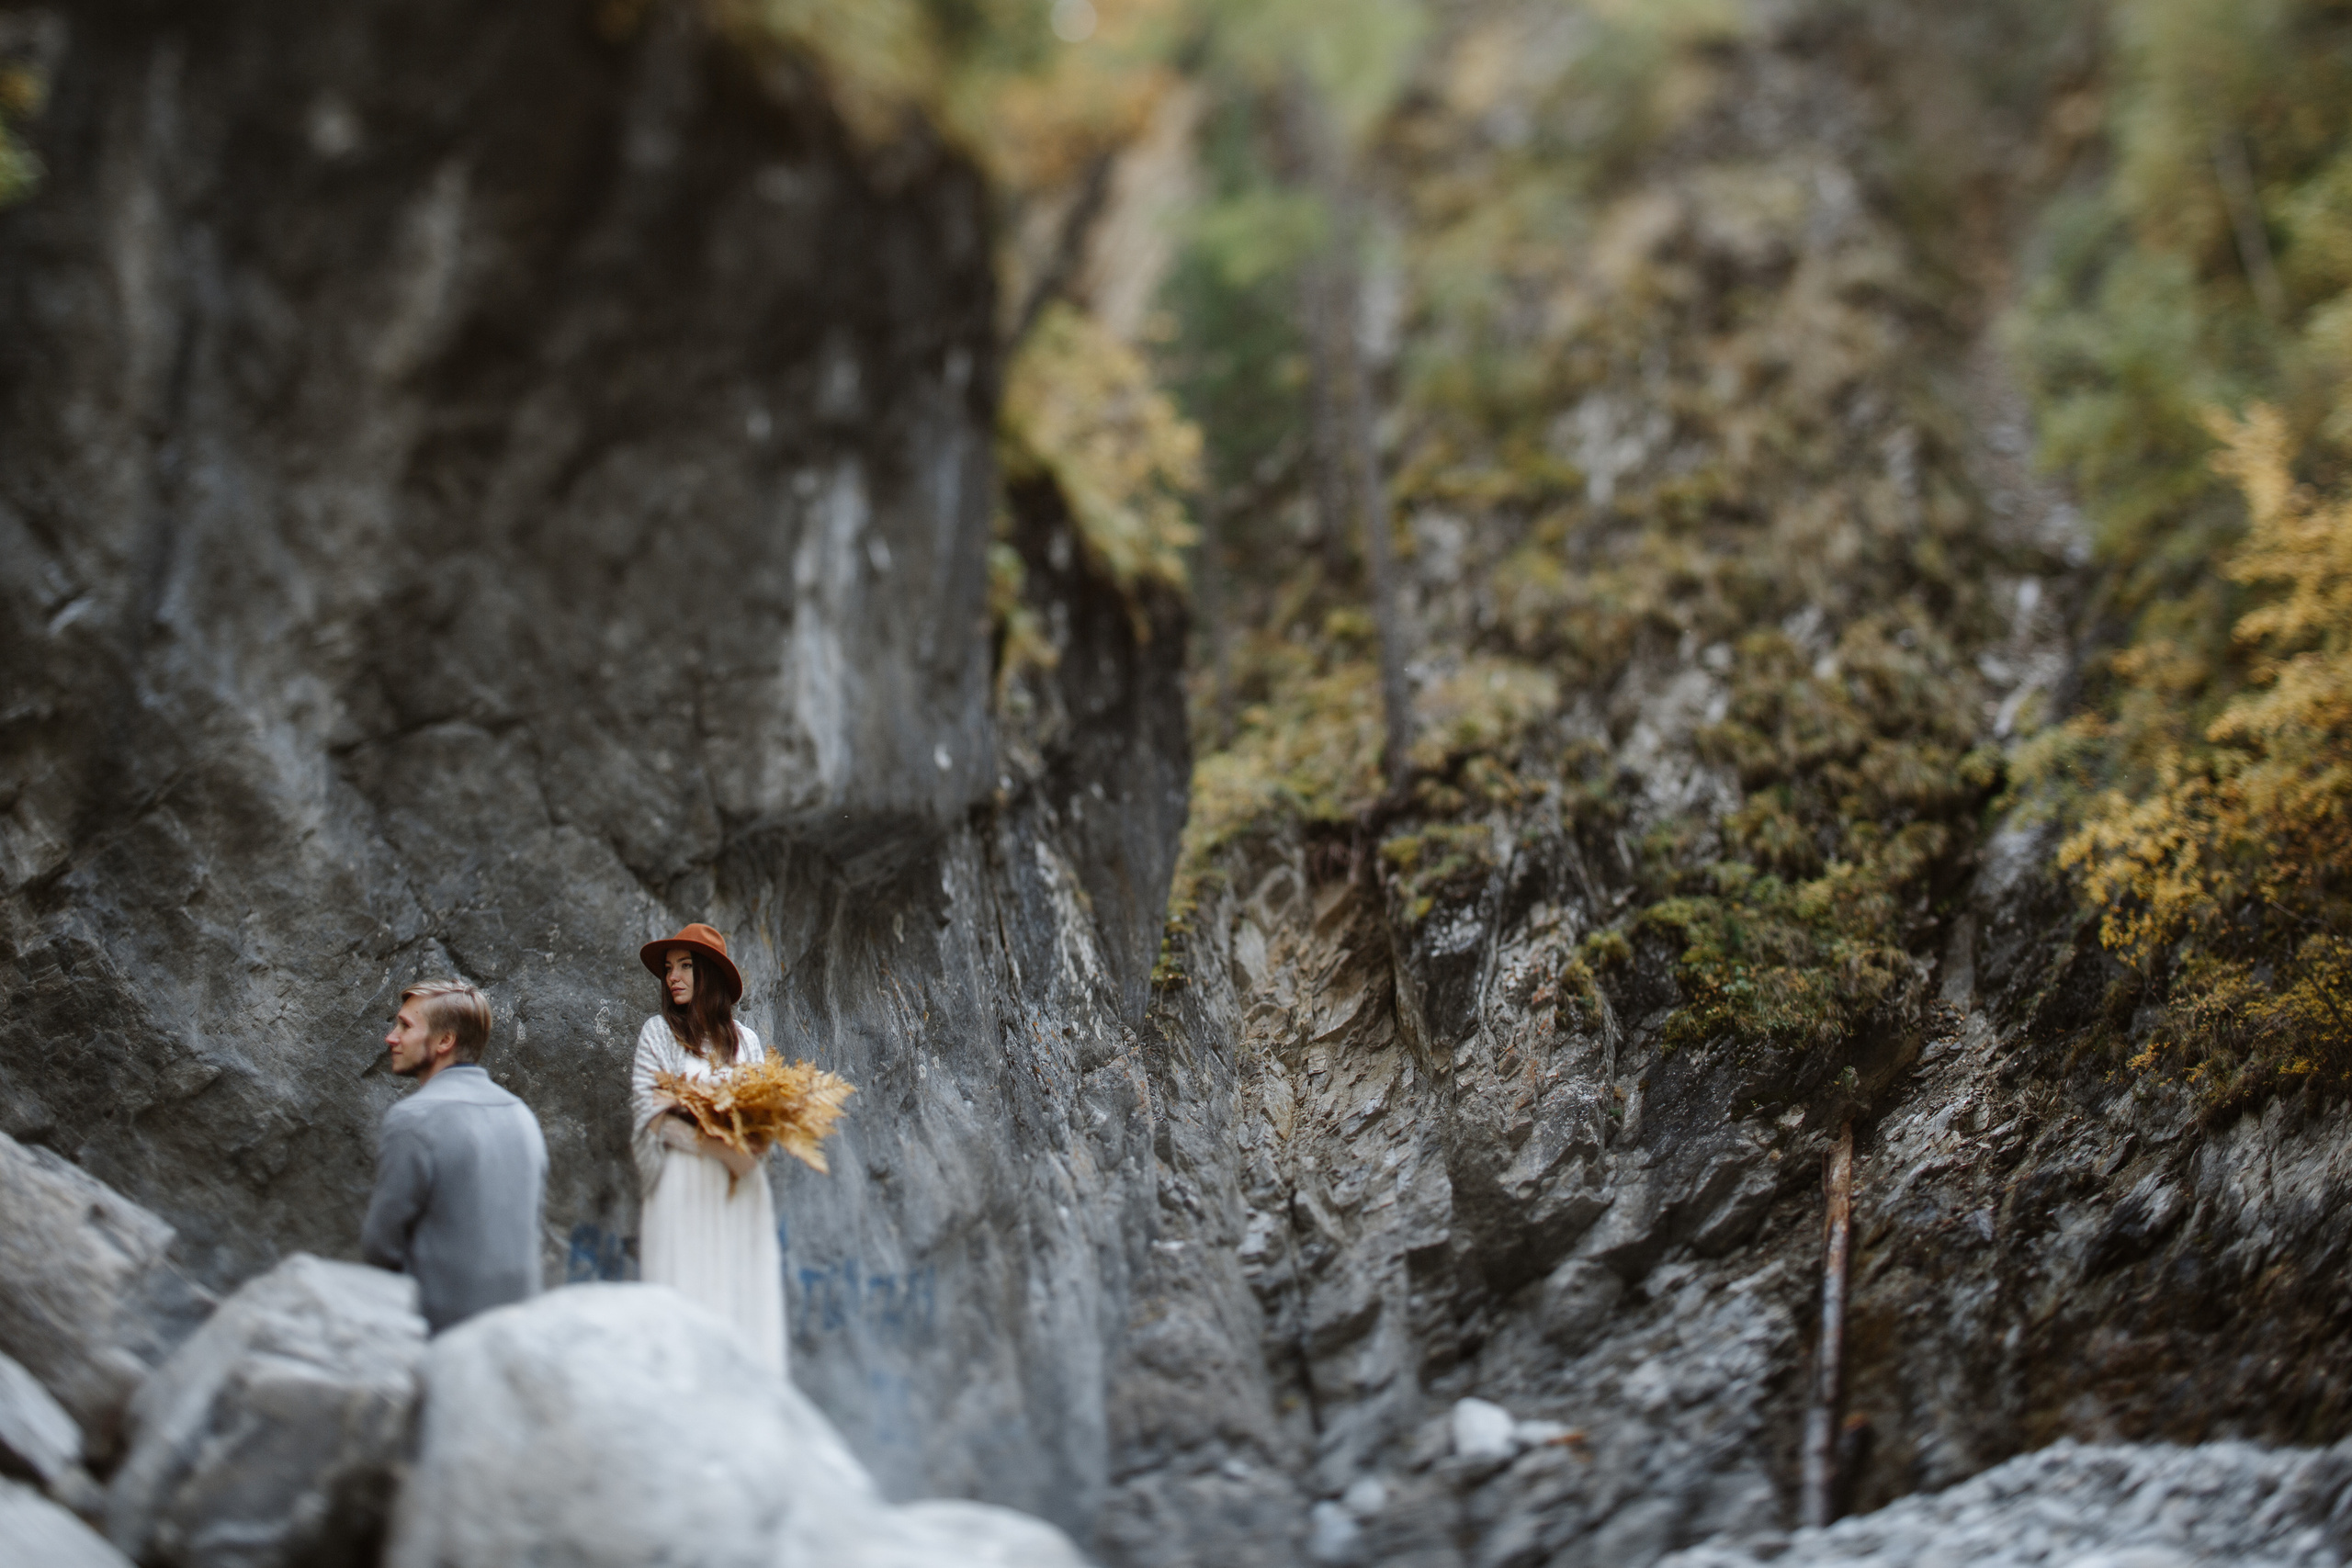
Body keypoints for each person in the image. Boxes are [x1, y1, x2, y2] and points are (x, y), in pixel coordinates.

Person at [628, 922, 786, 1372]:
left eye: (685, 966)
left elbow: (763, 1118)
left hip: (742, 1190)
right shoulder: (657, 1033)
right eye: (668, 968)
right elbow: (651, 1114)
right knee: (683, 1301)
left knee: (742, 1305)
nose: (672, 977)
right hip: (683, 1187)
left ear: (709, 974)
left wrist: (749, 1152)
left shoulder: (746, 1041)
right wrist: (717, 1148)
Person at [361, 979, 548, 1334]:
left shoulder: (413, 1119)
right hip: (519, 1333)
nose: (391, 1037)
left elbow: (380, 1248)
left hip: (439, 1335)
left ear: (445, 1041)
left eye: (405, 1026)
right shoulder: (522, 1115)